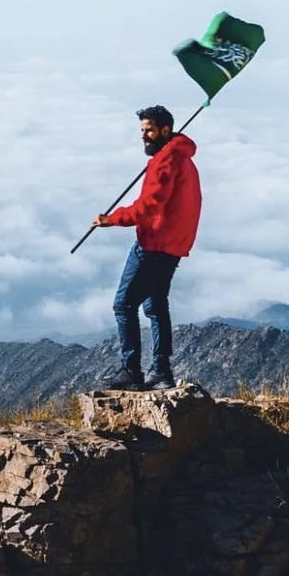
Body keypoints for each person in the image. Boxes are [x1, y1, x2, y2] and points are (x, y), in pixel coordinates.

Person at [91, 105, 202, 389]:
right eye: (142, 131)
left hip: (154, 243)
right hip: (173, 246)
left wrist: (112, 219)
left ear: (165, 130)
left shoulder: (165, 161)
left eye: (149, 130)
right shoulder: (183, 159)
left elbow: (149, 206)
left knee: (123, 305)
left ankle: (131, 371)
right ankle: (161, 372)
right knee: (154, 305)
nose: (144, 136)